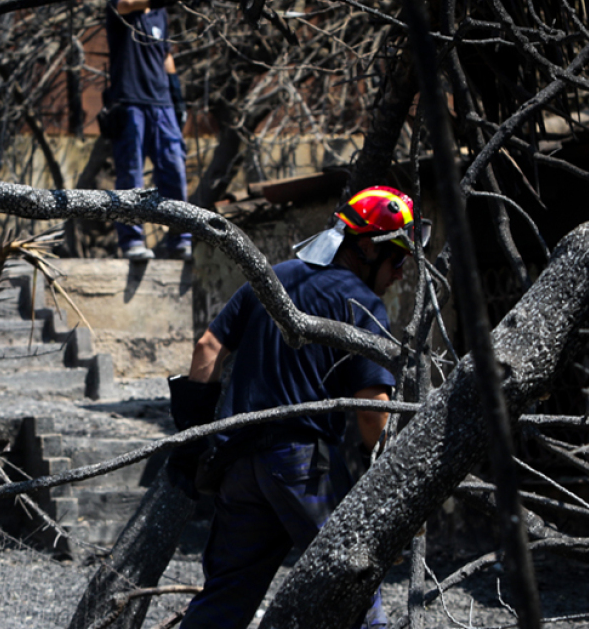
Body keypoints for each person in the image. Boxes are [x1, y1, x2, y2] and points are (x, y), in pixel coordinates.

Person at [176, 186, 431, 629]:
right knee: (355, 589)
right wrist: (393, 491)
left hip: (239, 464)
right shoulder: (363, 305)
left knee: (223, 601)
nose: (401, 274)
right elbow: (373, 410)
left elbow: (207, 347)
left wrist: (192, 439)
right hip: (304, 465)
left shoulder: (273, 278)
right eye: (398, 259)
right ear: (367, 247)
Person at [104, 0, 192, 262]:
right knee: (131, 175)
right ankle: (132, 240)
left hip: (162, 103)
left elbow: (166, 55)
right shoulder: (119, 5)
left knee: (174, 169)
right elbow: (128, 3)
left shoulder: (159, 13)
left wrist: (176, 95)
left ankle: (180, 238)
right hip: (130, 101)